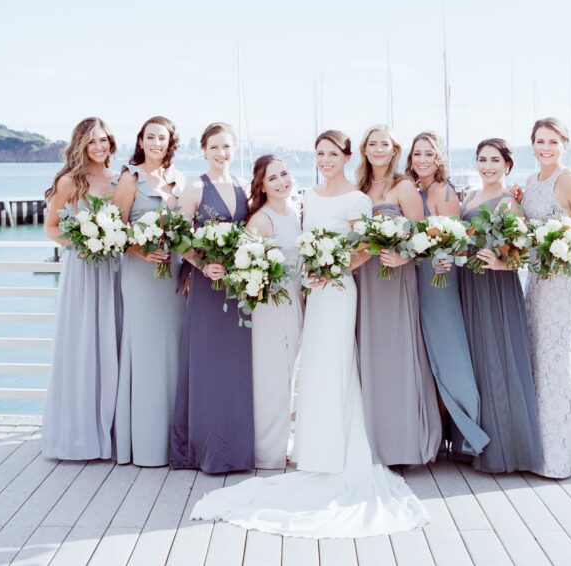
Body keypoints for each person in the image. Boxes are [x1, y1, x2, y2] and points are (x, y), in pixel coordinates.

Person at [189, 130, 428, 538]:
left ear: (346, 156)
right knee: (315, 368)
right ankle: (313, 450)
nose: (325, 160)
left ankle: (337, 451)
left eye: (333, 153)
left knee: (334, 364)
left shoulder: (357, 199)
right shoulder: (309, 198)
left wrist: (334, 268)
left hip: (337, 290)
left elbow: (366, 247)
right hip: (312, 296)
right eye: (319, 153)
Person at [354, 124, 441, 466]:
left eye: (384, 145)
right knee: (367, 354)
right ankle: (371, 439)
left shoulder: (403, 186)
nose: (378, 150)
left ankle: (402, 443)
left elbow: (424, 236)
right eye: (372, 144)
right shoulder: (359, 187)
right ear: (364, 150)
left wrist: (404, 255)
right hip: (364, 277)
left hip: (395, 277)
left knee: (397, 353)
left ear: (394, 151)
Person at [170, 122, 254, 473]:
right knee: (206, 364)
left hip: (237, 288)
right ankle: (202, 450)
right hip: (207, 287)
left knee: (235, 368)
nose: (222, 153)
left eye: (228, 147)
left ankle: (236, 449)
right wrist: (202, 265)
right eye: (216, 147)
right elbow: (176, 236)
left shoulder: (243, 187)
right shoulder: (193, 188)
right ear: (203, 150)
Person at [460, 138, 544, 473]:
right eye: (482, 159)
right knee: (478, 360)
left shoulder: (509, 203)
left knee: (499, 359)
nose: (488, 166)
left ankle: (508, 450)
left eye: (495, 160)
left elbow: (522, 254)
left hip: (495, 289)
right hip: (470, 284)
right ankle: (476, 443)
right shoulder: (469, 197)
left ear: (507, 165)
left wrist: (500, 265)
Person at [521, 118, 571, 478]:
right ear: (533, 144)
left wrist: (566, 250)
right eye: (540, 141)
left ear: (564, 145)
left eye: (553, 141)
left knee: (557, 359)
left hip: (564, 281)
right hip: (537, 279)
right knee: (538, 358)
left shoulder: (568, 181)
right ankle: (538, 448)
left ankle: (562, 456)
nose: (546, 147)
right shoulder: (530, 183)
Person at [41, 117, 122, 460]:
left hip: (115, 269)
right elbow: (51, 228)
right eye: (92, 142)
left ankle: (115, 431)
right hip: (84, 271)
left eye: (103, 140)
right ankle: (80, 432)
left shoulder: (120, 179)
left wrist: (109, 240)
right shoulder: (69, 181)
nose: (99, 147)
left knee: (115, 341)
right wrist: (82, 241)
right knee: (84, 344)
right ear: (81, 146)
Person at [405, 131, 488, 457]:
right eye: (416, 154)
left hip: (438, 280)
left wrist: (444, 260)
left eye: (428, 154)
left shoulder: (442, 190)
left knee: (447, 353)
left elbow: (457, 241)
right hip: (413, 278)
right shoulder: (414, 190)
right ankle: (438, 434)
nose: (422, 160)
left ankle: (471, 428)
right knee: (426, 359)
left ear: (439, 158)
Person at [111, 116, 186, 467]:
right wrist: (140, 250)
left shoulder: (178, 179)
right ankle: (143, 445)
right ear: (140, 141)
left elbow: (186, 229)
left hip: (171, 276)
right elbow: (113, 230)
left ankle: (173, 439)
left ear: (170, 142)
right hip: (141, 277)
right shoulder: (131, 177)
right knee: (144, 354)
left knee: (172, 352)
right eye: (151, 137)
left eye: (163, 138)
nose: (157, 143)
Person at [244, 154, 303, 469]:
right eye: (273, 178)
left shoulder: (295, 213)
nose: (282, 182)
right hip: (270, 305)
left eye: (284, 174)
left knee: (289, 374)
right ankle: (267, 452)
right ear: (262, 186)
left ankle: (283, 443)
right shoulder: (261, 220)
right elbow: (247, 270)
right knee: (270, 376)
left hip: (294, 300)